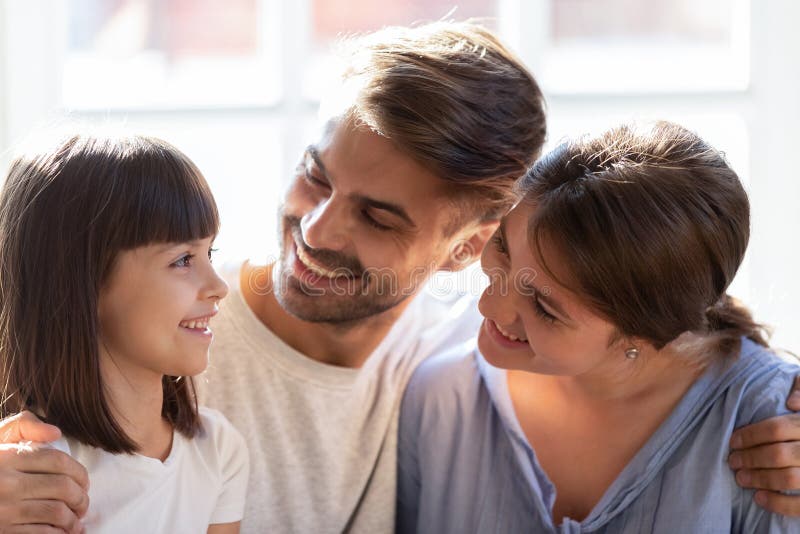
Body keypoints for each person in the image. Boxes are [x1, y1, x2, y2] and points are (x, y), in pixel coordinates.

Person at [2, 22, 800, 534]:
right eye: (316, 175)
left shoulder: (466, 353)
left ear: (473, 246)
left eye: (380, 219)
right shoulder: (154, 332)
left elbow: (639, 300)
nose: (315, 230)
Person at [396, 122, 800, 532]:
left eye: (544, 307)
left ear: (643, 334)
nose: (489, 305)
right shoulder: (442, 399)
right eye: (503, 247)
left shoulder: (771, 432)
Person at [0, 134, 249, 533]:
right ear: (82, 283)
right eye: (183, 260)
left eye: (210, 254)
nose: (218, 286)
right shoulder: (38, 475)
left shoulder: (219, 450)